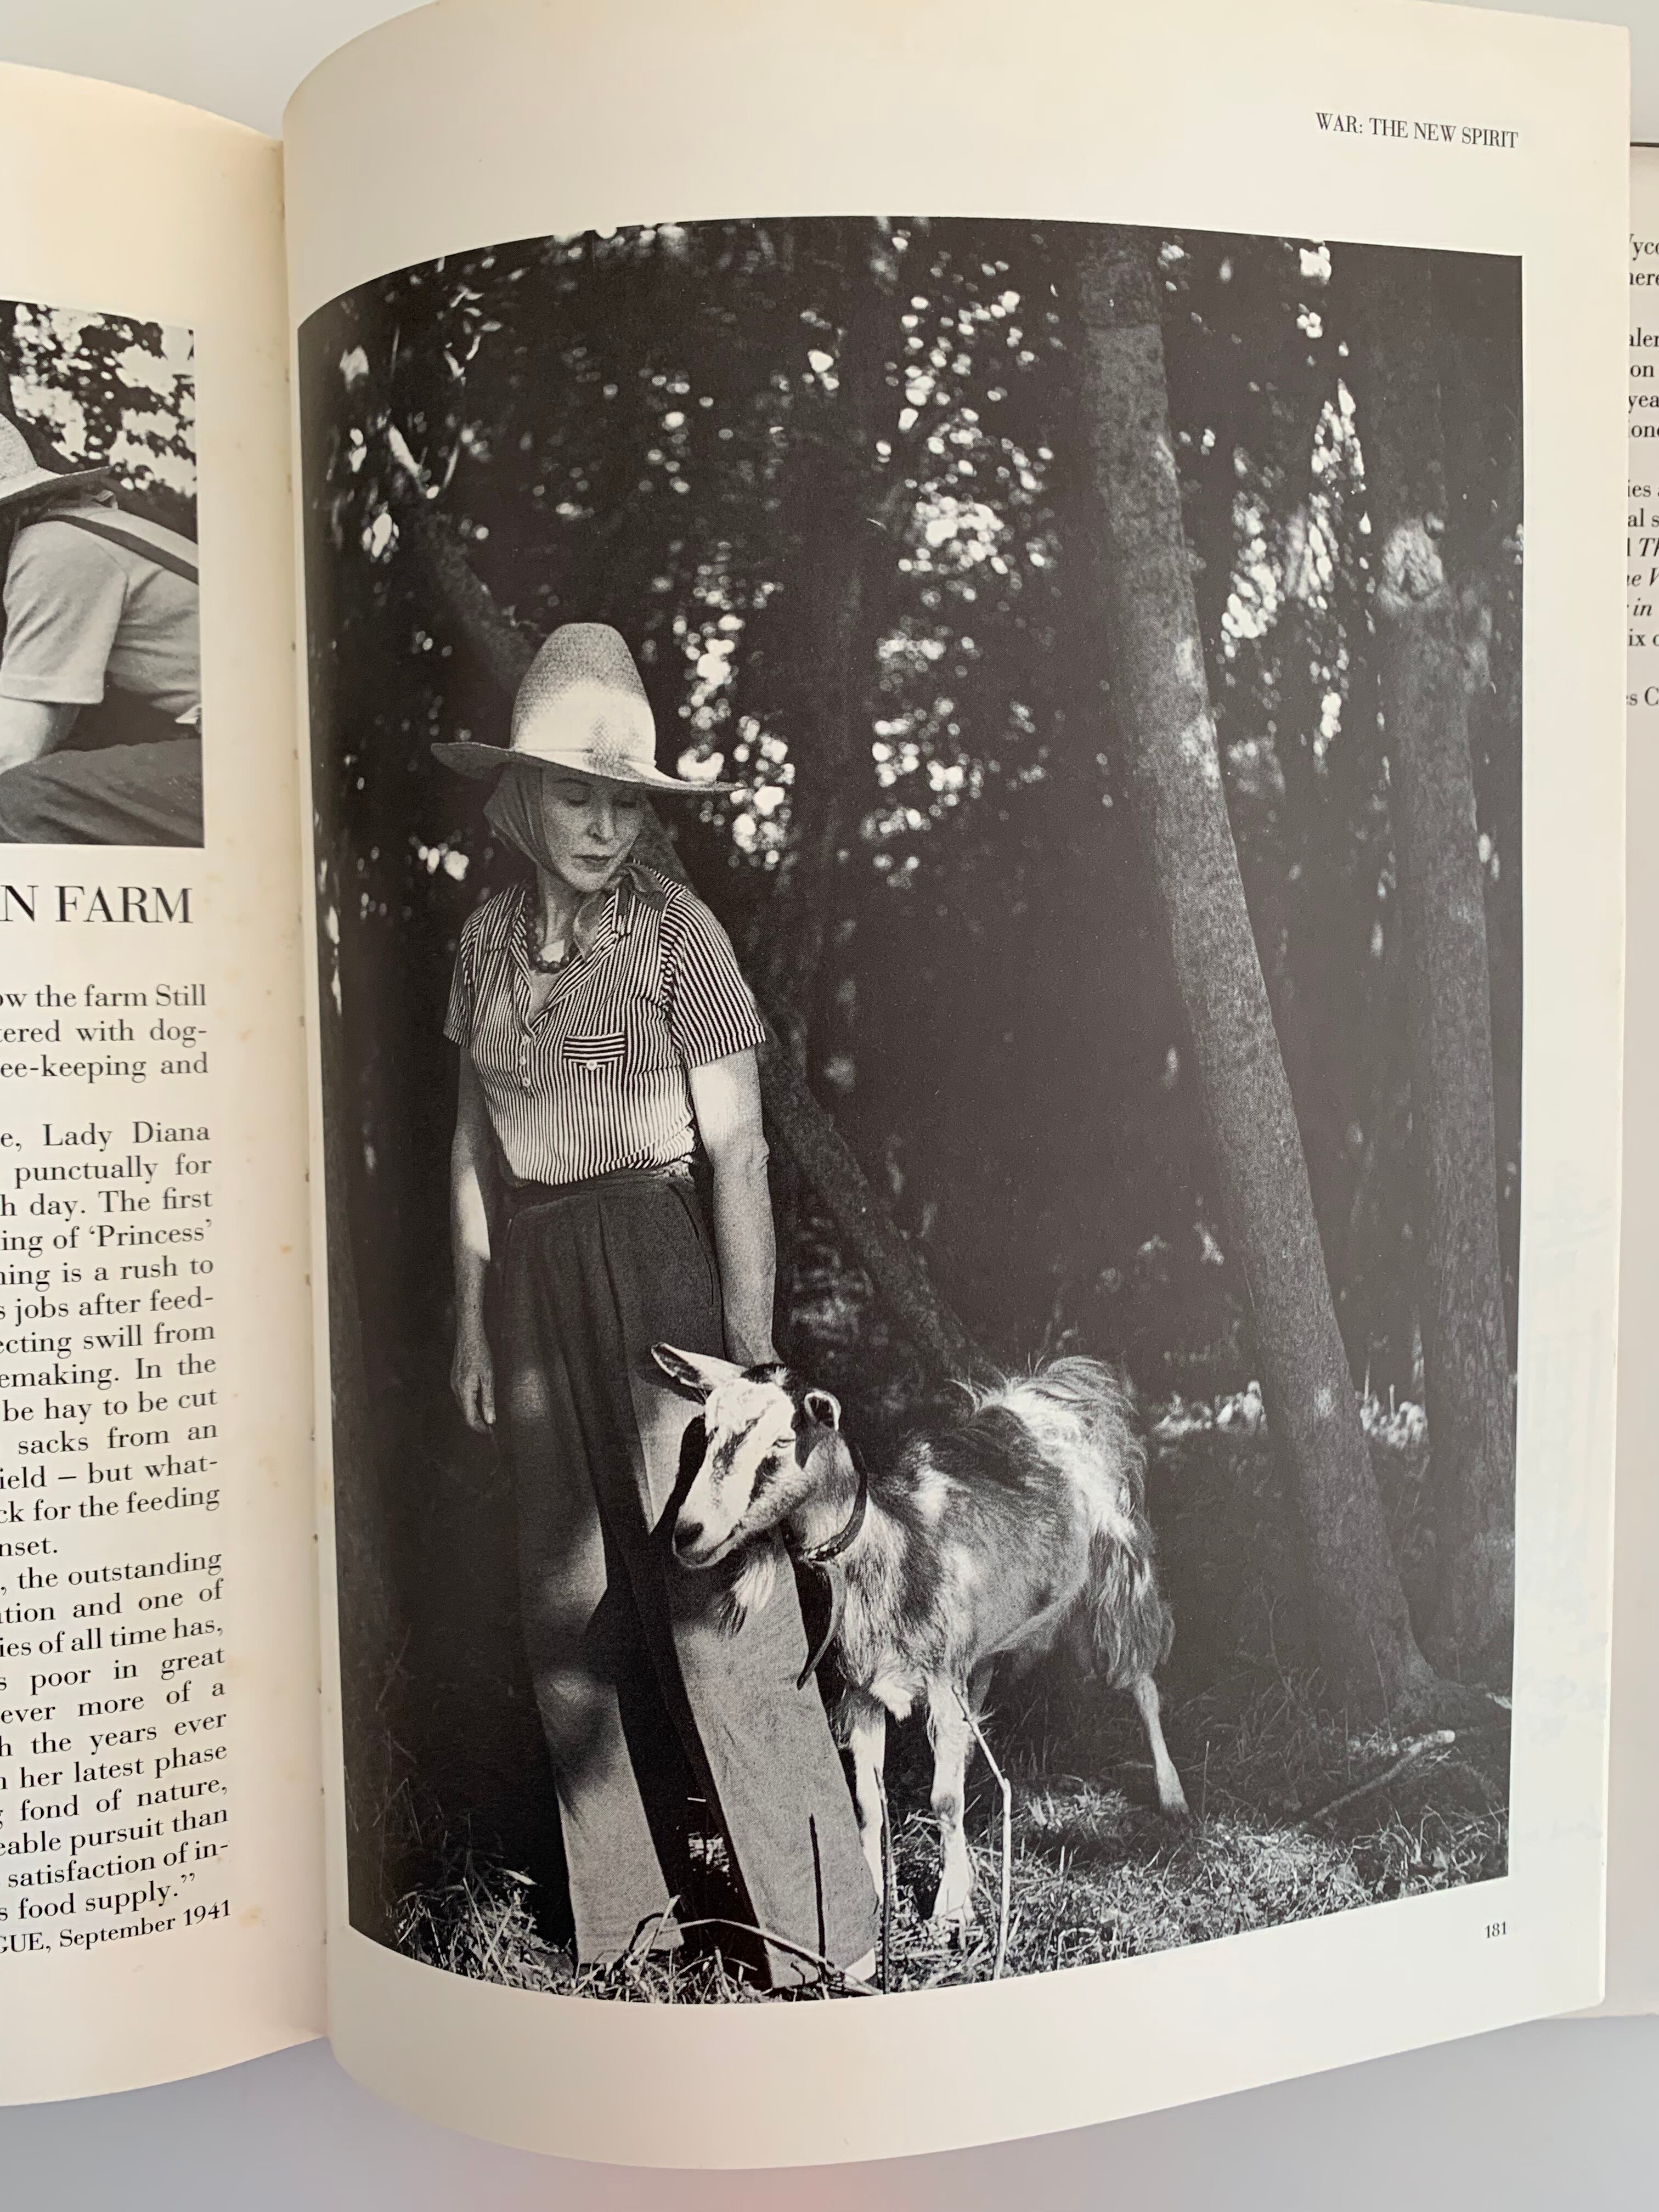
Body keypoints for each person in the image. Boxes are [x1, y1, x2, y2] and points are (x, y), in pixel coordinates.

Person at [437, 620, 878, 1986]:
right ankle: (629, 1929)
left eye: (626, 801)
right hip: (533, 1286)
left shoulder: (683, 935)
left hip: (656, 1265)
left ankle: (825, 1937)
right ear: (524, 797)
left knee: (719, 1595)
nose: (604, 826)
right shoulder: (484, 942)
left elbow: (739, 1150)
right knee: (568, 1600)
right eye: (579, 795)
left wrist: (748, 1355)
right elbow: (471, 1142)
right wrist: (471, 1315)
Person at [0, 416, 202, 846]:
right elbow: (56, 728)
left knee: (15, 799)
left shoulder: (54, 550)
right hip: (259, 744)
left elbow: (14, 751)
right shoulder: (77, 531)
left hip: (266, 751)